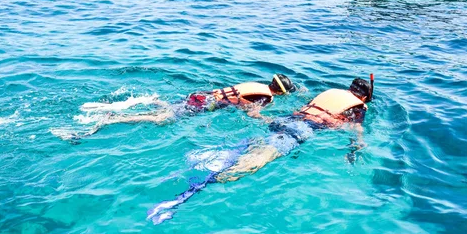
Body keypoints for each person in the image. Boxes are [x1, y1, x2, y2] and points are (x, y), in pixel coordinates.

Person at [216, 76, 374, 182]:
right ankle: (221, 177)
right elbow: (356, 128)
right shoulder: (359, 105)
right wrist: (357, 146)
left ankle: (224, 157)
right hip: (303, 127)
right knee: (262, 157)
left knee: (260, 143)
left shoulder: (332, 91)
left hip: (287, 119)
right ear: (364, 97)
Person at [61, 74, 296, 140]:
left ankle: (148, 100)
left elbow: (237, 98)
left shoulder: (256, 83)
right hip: (205, 105)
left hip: (200, 96)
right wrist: (268, 121)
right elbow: (252, 112)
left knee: (167, 109)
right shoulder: (268, 98)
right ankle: (113, 117)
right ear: (280, 92)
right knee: (160, 119)